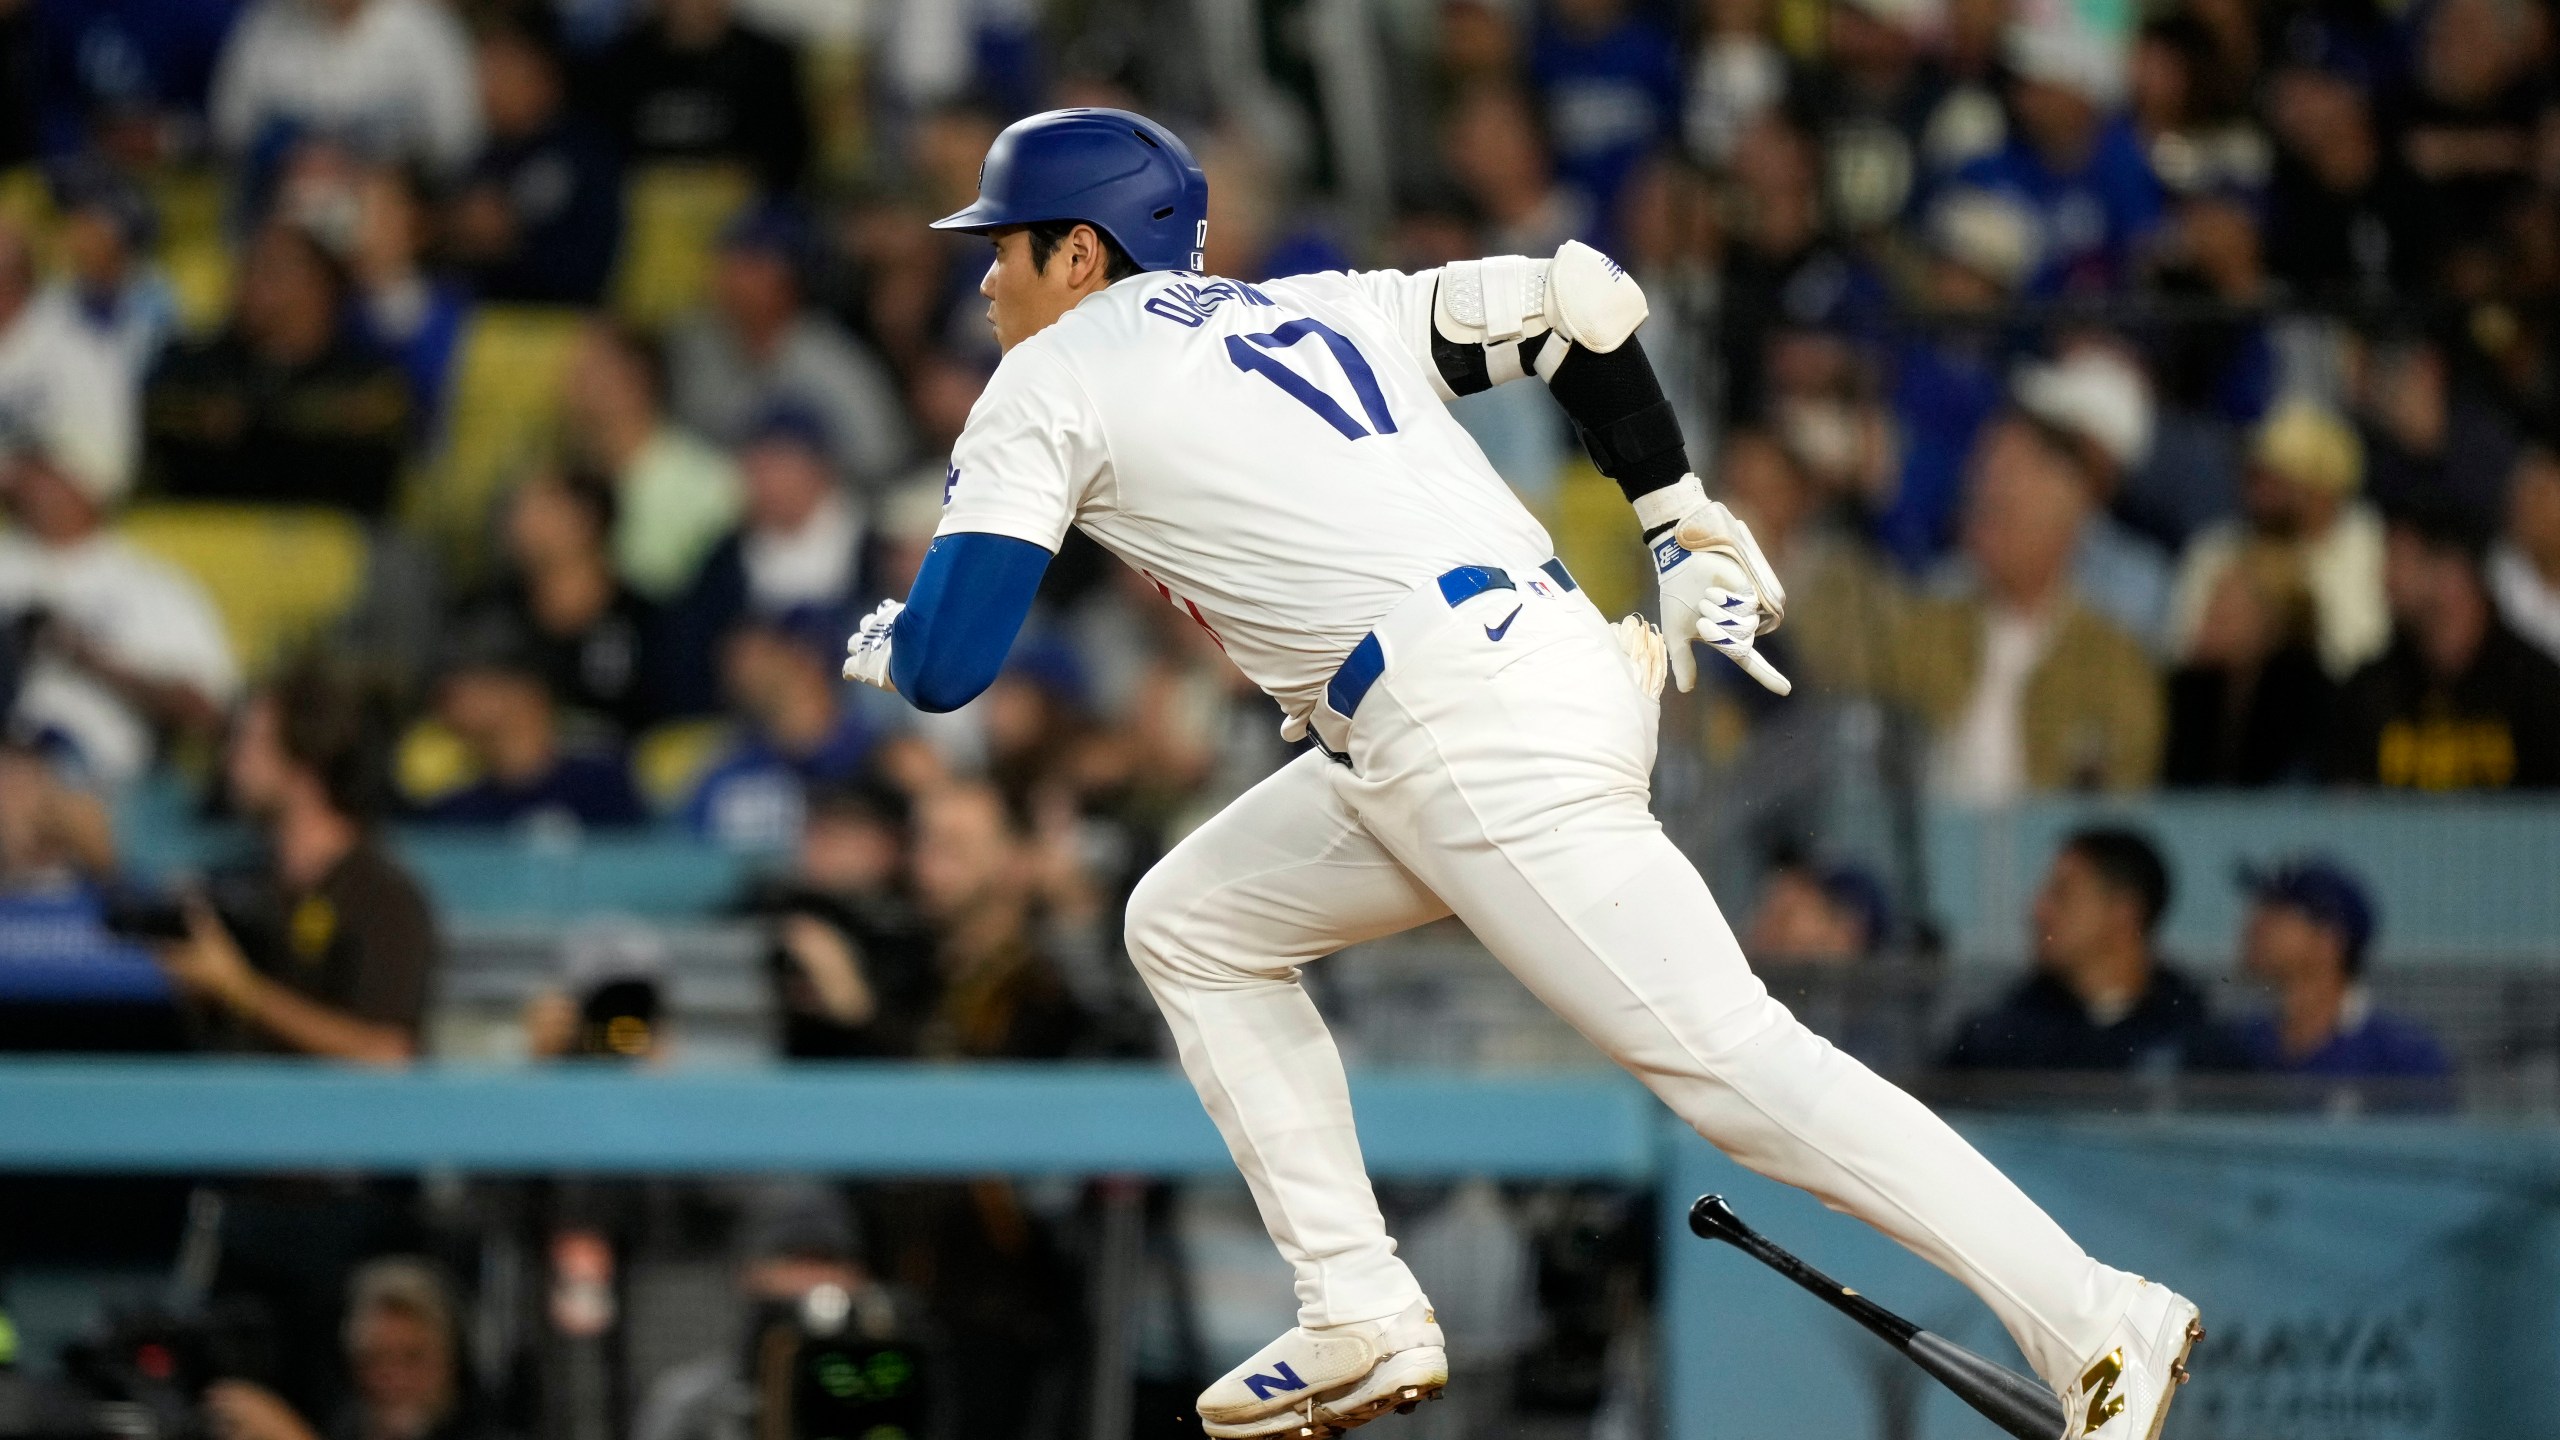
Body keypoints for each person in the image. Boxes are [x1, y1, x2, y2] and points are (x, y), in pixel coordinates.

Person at [837, 108, 2201, 1440]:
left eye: (1005, 243)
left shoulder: (1054, 372)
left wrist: (896, 644)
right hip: (1515, 677)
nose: (984, 271)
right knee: (1189, 924)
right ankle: (1356, 1303)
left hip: (1458, 719)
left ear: (1081, 256)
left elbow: (955, 664)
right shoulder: (1313, 305)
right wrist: (1672, 515)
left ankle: (2093, 1315)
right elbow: (1578, 301)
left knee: (1733, 1062)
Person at [161, 657, 436, 1063]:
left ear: (306, 758)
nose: (231, 760)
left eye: (251, 740)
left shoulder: (383, 898)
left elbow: (385, 1053)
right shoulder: (234, 884)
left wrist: (242, 991)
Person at [0, 337, 234, 790]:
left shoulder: (151, 586)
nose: (19, 480)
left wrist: (88, 657)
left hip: (100, 792)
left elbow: (209, 711)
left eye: (42, 467)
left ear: (87, 480)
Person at [144, 217, 413, 516]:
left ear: (322, 286)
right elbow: (169, 435)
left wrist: (252, 425)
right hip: (210, 539)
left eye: (271, 271)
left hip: (334, 547)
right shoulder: (192, 363)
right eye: (248, 269)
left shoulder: (368, 375)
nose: (250, 283)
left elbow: (360, 465)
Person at [1943, 828, 2244, 1074]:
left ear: (2123, 914)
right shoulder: (1994, 1042)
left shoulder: (2200, 1049)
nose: (2037, 911)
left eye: (2061, 894)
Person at [663, 205, 911, 487]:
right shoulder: (695, 346)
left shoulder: (832, 364)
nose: (728, 275)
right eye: (728, 260)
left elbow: (883, 463)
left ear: (789, 278)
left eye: (749, 264)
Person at [2326, 507, 2560, 789]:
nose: (2384, 578)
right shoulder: (2369, 689)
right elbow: (2344, 806)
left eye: (2398, 560)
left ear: (2452, 571)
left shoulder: (2537, 688)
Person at [204, 1257, 503, 1440]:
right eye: (374, 1358)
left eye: (413, 1357)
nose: (392, 1377)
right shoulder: (340, 1428)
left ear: (452, 1360)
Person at [562, 319, 742, 603]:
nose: (574, 383)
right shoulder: (566, 479)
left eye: (592, 370)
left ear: (637, 378)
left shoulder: (707, 482)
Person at [447, 16, 622, 305]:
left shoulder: (585, 156)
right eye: (483, 73)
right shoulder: (482, 160)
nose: (486, 88)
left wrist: (511, 245)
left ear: (542, 73)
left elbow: (591, 266)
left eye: (501, 71)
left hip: (566, 328)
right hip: (486, 328)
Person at [2232, 856, 2452, 1084]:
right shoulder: (2238, 1045)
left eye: (2277, 913)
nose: (2254, 924)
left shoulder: (2402, 1058)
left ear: (2329, 939)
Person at [415, 620, 647, 830]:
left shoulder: (601, 785)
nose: (459, 698)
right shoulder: (460, 809)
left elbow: (645, 864)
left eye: (486, 683)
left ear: (532, 692)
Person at [209, 0, 480, 177]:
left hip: (392, 212)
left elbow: (456, 145)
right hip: (285, 207)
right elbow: (231, 133)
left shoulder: (425, 27)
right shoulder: (266, 24)